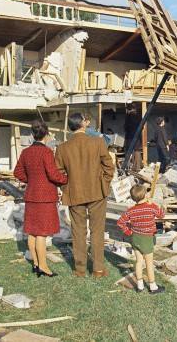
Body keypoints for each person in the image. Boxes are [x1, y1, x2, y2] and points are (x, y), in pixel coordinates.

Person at [55, 113, 115, 278]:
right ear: (83, 124)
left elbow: (59, 174)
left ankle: (80, 269)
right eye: (86, 121)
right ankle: (98, 269)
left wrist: (67, 186)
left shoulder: (62, 148)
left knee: (78, 231)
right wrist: (104, 183)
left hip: (75, 193)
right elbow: (109, 166)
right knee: (97, 230)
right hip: (97, 192)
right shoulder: (97, 142)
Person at [13, 120, 67, 277]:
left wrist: (30, 180)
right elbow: (53, 174)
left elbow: (17, 172)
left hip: (31, 195)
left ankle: (36, 264)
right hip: (45, 197)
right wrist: (66, 178)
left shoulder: (26, 152)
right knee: (42, 233)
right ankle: (43, 266)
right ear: (47, 135)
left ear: (32, 134)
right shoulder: (47, 152)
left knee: (32, 232)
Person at [117, 184, 165, 294]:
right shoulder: (151, 207)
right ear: (145, 195)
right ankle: (153, 287)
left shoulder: (131, 210)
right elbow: (161, 215)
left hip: (135, 238)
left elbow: (120, 222)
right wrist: (157, 205)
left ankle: (140, 286)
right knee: (149, 263)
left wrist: (128, 231)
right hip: (147, 239)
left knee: (139, 262)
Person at [124, 104, 142, 170]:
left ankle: (127, 167)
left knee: (128, 151)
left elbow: (126, 127)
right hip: (137, 136)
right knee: (137, 151)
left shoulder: (128, 116)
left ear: (129, 109)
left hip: (130, 136)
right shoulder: (139, 116)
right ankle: (137, 167)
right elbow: (142, 127)